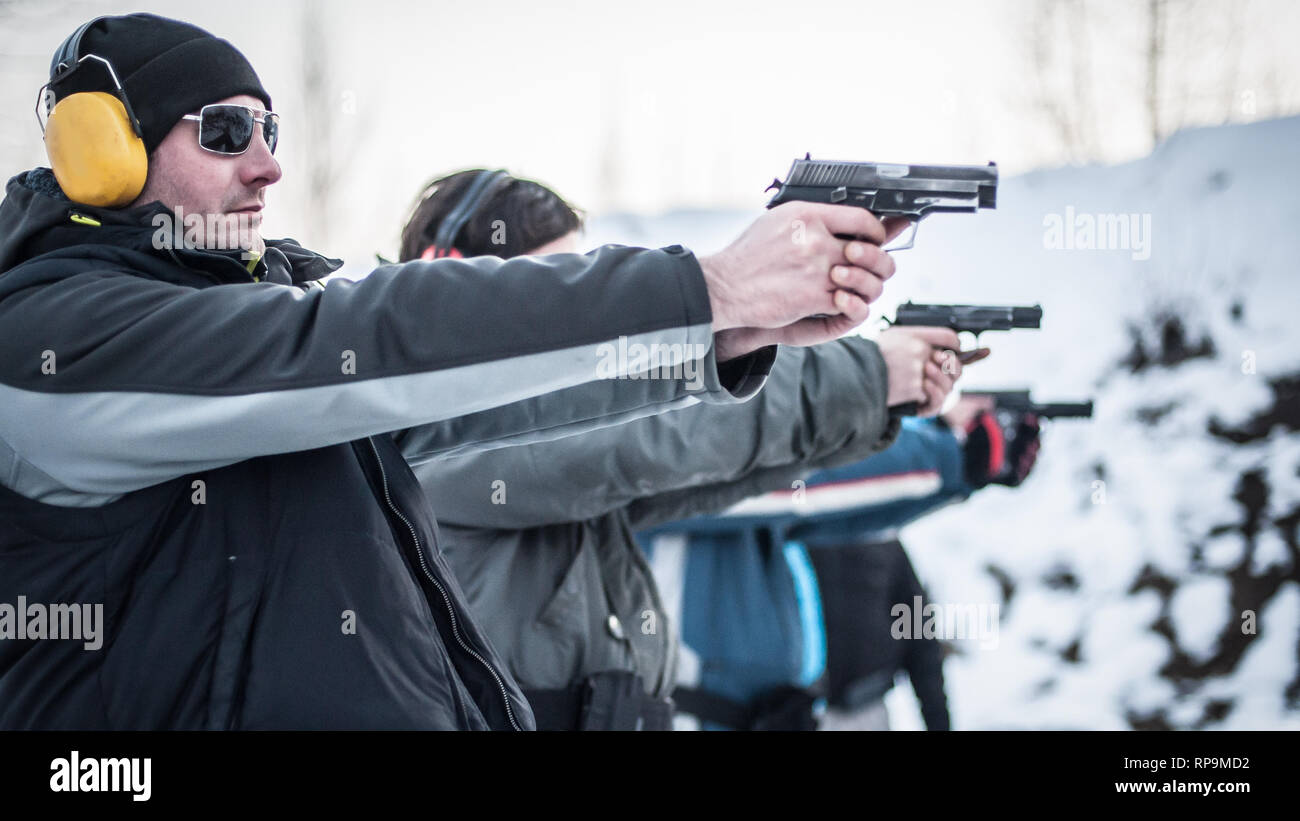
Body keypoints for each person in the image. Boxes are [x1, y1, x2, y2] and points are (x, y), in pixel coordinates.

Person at [0, 14, 904, 730]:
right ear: (102, 155)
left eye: (269, 129)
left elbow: (508, 394)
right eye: (226, 132)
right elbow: (380, 332)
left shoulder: (265, 347)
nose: (268, 166)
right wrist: (704, 285)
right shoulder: (59, 340)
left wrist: (729, 328)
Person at [399, 171, 963, 728]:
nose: (572, 326)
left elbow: (712, 470)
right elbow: (658, 437)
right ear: (453, 278)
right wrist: (867, 378)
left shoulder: (533, 452)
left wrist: (858, 396)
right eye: (547, 295)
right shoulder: (441, 428)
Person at [639, 393, 1041, 730]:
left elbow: (837, 505)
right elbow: (786, 480)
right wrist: (950, 454)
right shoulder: (665, 445)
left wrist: (959, 471)